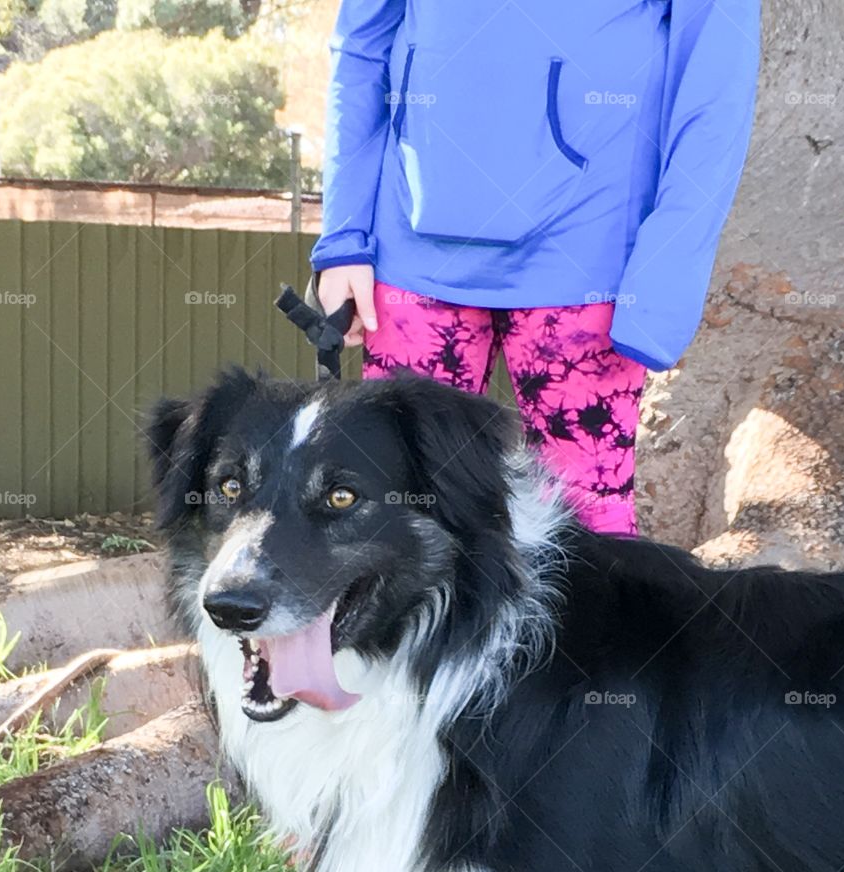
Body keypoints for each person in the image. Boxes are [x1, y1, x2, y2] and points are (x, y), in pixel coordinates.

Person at [311, 0, 760, 535]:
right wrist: (344, 238)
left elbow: (715, 83)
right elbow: (360, 50)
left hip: (586, 263)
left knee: (589, 539)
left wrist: (665, 274)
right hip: (409, 259)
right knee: (398, 520)